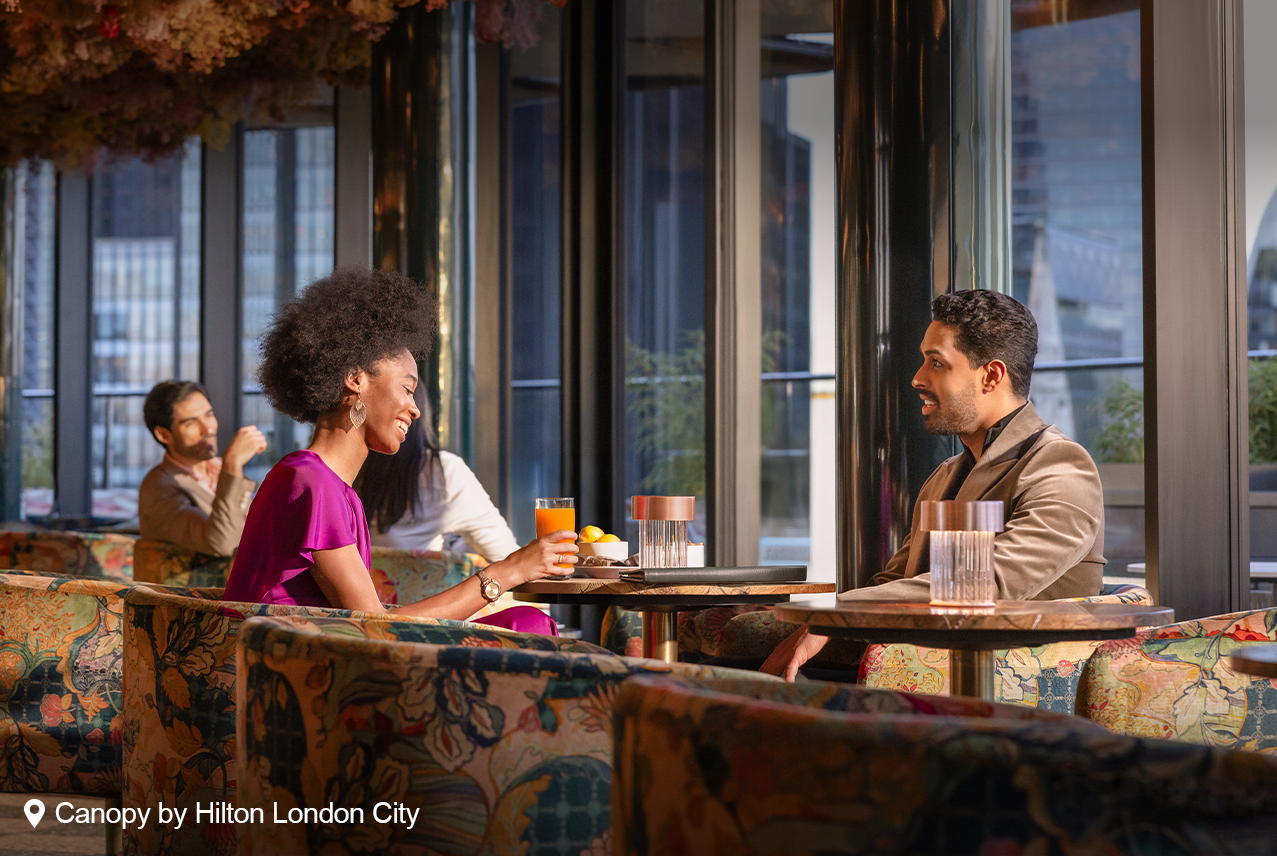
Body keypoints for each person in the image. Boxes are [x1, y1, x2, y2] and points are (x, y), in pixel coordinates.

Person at [761, 289, 1106, 680]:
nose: (917, 378)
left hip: (1011, 679)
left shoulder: (1061, 465)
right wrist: (823, 619)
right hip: (918, 663)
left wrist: (836, 613)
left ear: (991, 376)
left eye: (936, 363)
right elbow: (897, 582)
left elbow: (988, 582)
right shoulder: (945, 474)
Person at [223, 268, 570, 634]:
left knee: (527, 621)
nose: (415, 409)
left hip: (326, 650)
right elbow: (374, 627)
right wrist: (508, 571)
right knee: (528, 623)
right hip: (294, 664)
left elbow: (363, 624)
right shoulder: (311, 482)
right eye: (407, 388)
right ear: (355, 379)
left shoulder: (328, 486)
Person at [354, 388, 520, 561]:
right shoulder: (443, 473)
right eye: (407, 388)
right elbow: (506, 554)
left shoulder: (345, 469)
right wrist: (457, 554)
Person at [138, 380, 267, 556]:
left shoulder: (218, 467)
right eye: (191, 423)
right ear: (163, 435)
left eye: (209, 415)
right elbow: (224, 543)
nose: (208, 429)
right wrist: (232, 463)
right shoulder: (158, 488)